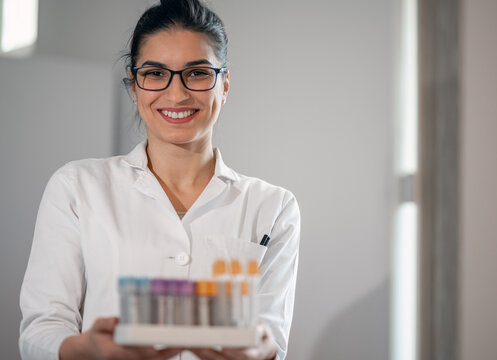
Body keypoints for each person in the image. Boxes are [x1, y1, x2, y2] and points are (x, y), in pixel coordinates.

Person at [18, 0, 300, 359]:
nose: (178, 93)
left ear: (225, 85)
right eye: (154, 73)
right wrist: (84, 349)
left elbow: (271, 341)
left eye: (197, 73)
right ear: (134, 87)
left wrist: (261, 353)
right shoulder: (76, 187)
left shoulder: (273, 206)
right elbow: (39, 331)